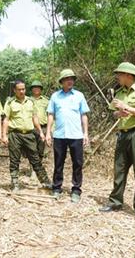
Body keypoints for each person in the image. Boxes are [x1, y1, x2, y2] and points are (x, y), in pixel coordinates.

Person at [99, 62, 135, 221]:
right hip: (122, 134)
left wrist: (128, 108)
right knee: (119, 169)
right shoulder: (120, 92)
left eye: (119, 74)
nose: (117, 77)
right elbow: (114, 114)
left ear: (129, 75)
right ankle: (115, 202)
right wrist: (119, 113)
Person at [45, 69, 90, 203]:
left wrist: (85, 133)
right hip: (59, 135)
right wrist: (48, 132)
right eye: (67, 79)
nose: (70, 81)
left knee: (77, 163)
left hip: (76, 135)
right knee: (58, 163)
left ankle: (76, 190)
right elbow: (51, 114)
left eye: (72, 78)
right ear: (62, 82)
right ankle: (57, 188)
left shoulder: (79, 95)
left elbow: (84, 115)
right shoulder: (55, 96)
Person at [2, 79, 52, 193]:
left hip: (29, 134)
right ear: (14, 90)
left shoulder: (30, 102)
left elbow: (35, 118)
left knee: (35, 158)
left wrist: (40, 131)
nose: (21, 91)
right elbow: (6, 119)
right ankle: (15, 184)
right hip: (15, 134)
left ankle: (45, 182)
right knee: (14, 160)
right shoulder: (10, 103)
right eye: (19, 89)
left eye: (23, 89)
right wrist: (4, 135)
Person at [30, 80, 49, 162]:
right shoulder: (28, 100)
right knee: (31, 149)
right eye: (34, 88)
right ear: (31, 89)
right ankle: (33, 169)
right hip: (31, 128)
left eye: (38, 87)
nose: (36, 89)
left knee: (41, 149)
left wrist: (50, 130)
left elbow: (50, 115)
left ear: (41, 89)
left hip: (43, 127)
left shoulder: (46, 101)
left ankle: (39, 166)